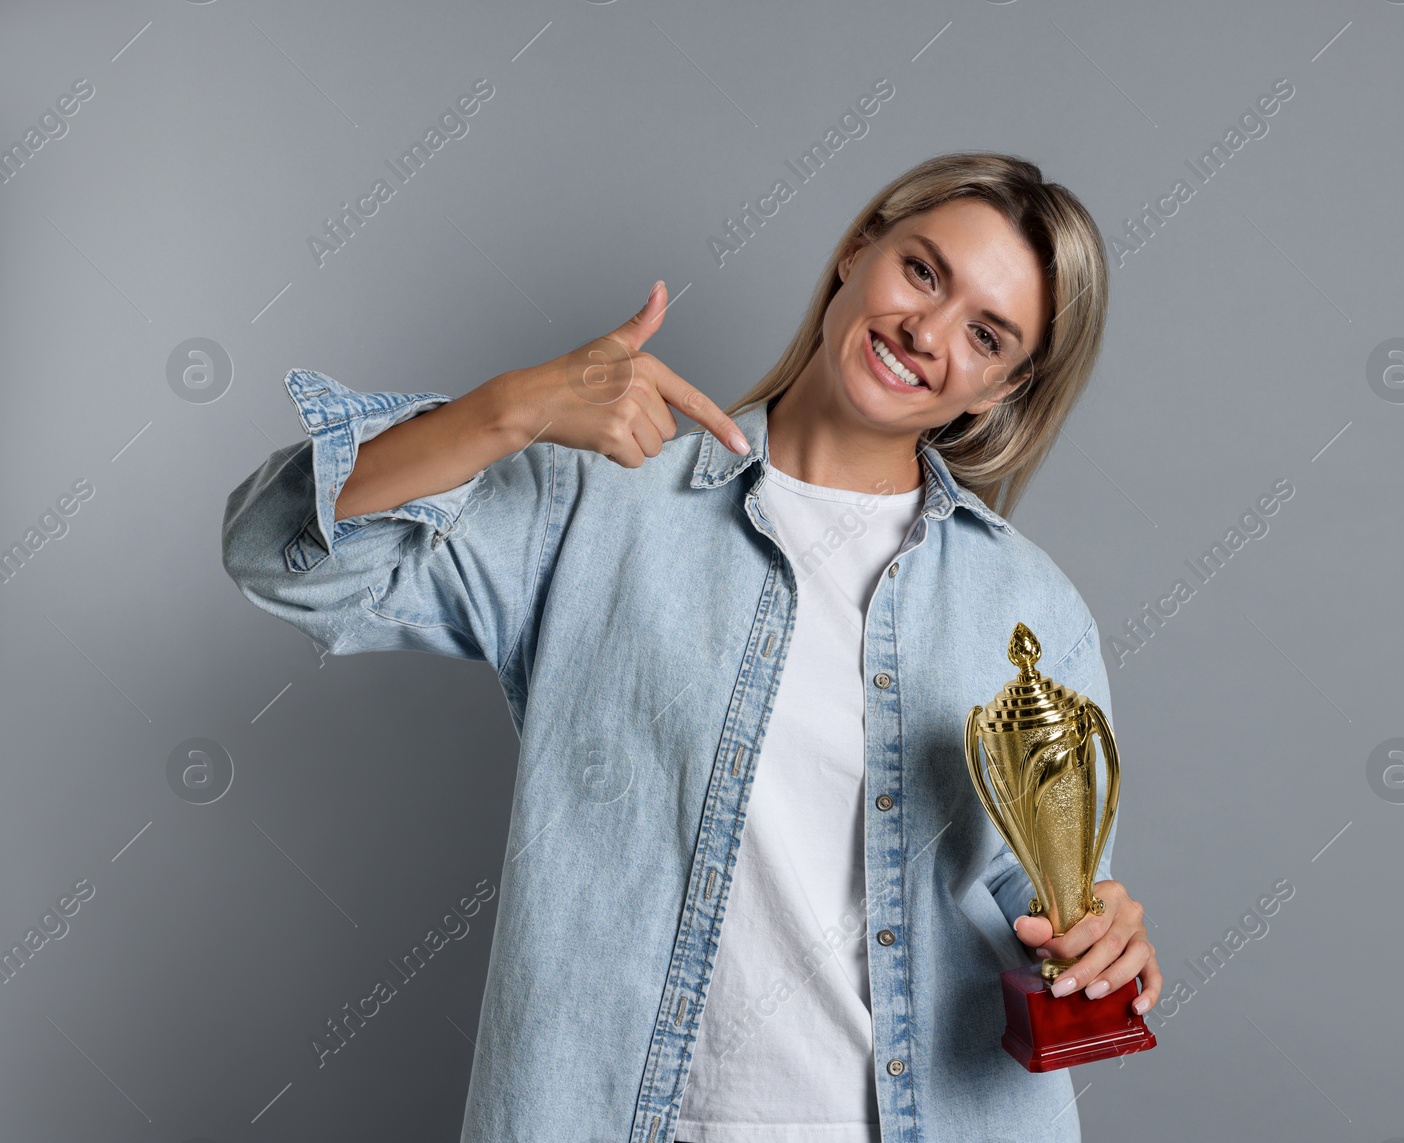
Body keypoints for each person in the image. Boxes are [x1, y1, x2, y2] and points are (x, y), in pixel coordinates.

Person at [221, 151, 1160, 1143]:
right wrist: (507, 413)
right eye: (922, 271)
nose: (925, 332)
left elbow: (1041, 897)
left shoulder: (1025, 605)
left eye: (985, 334)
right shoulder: (600, 505)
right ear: (856, 250)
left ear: (1002, 388)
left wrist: (1097, 936)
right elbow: (280, 555)